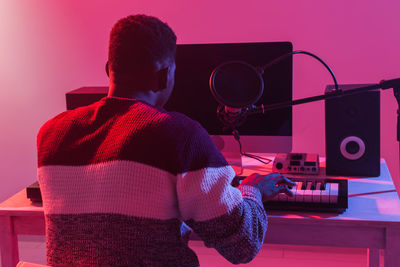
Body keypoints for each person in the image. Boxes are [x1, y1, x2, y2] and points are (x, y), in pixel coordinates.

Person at [37, 14, 295, 266]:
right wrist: (252, 191)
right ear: (164, 76)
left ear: (108, 69)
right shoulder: (178, 136)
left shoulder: (51, 134)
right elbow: (243, 245)